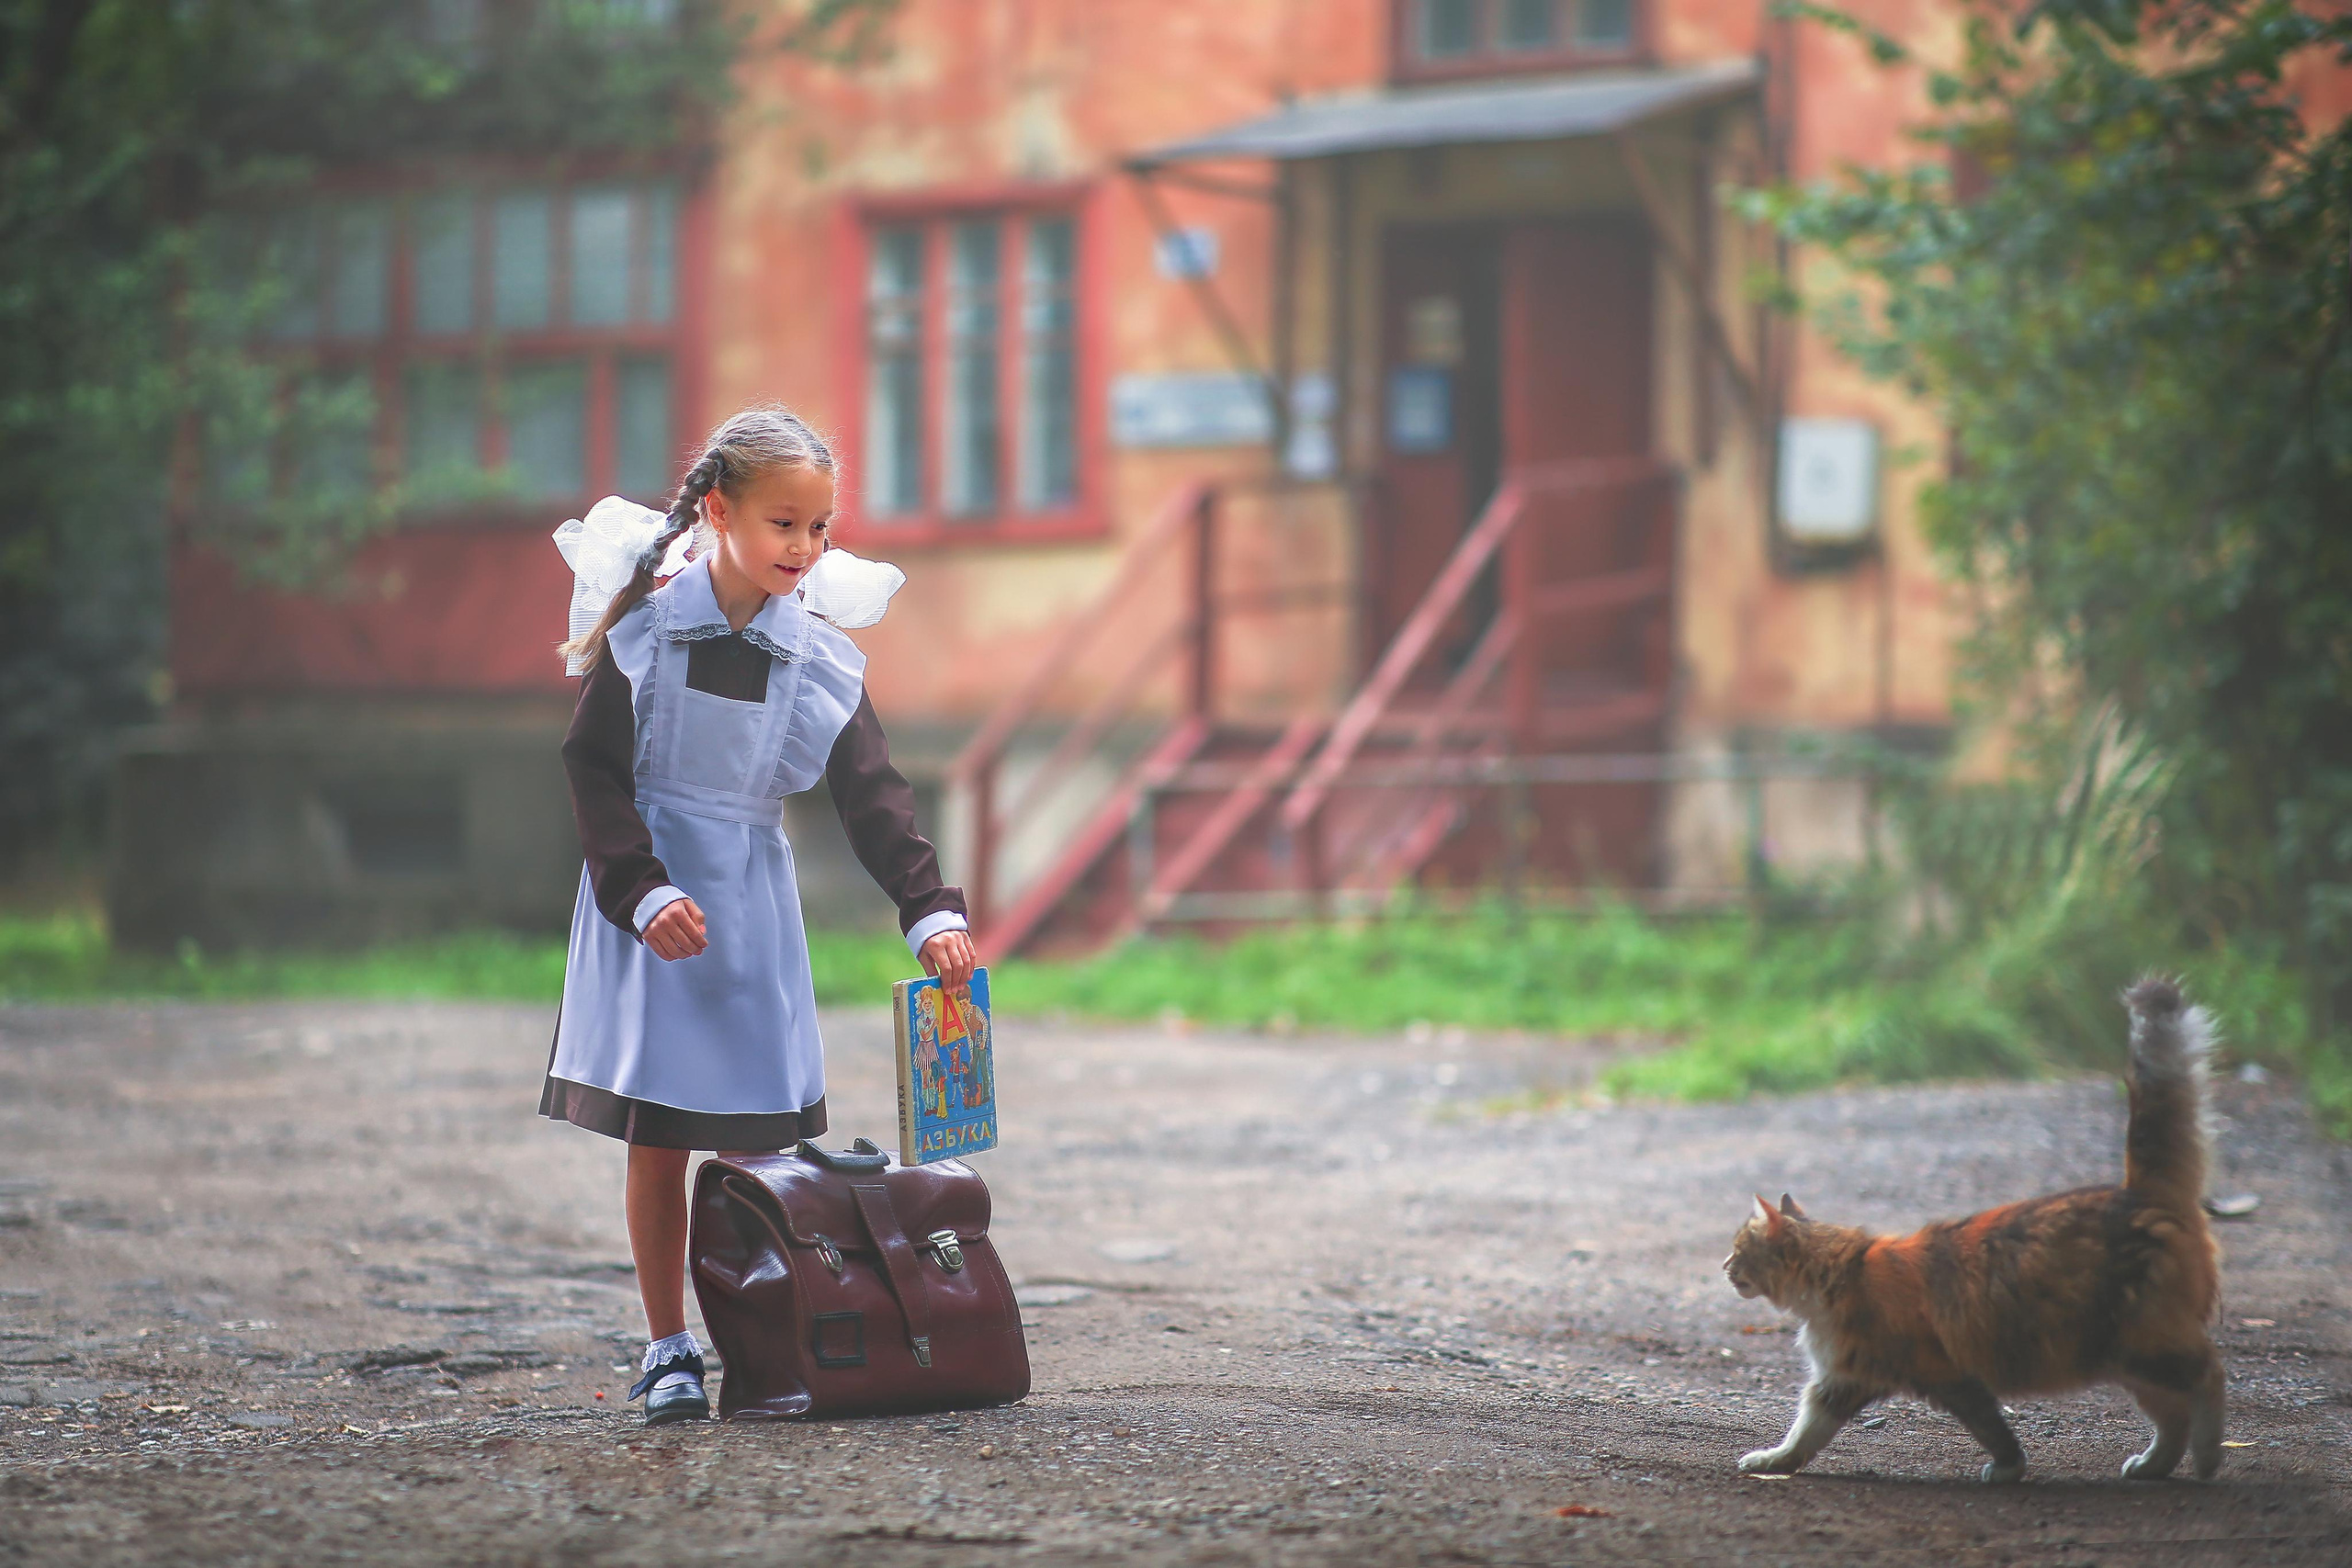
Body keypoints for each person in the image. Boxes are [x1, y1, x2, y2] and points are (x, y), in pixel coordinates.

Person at [540, 405, 977, 1426]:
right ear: (722, 511)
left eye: (820, 528)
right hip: (655, 906)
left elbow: (873, 793)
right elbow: (592, 770)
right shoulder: (646, 628)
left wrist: (927, 910)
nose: (805, 549)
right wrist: (640, 889)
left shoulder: (812, 651)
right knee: (661, 1137)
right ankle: (666, 1346)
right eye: (785, 524)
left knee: (750, 1143)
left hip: (751, 902)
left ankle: (762, 1333)